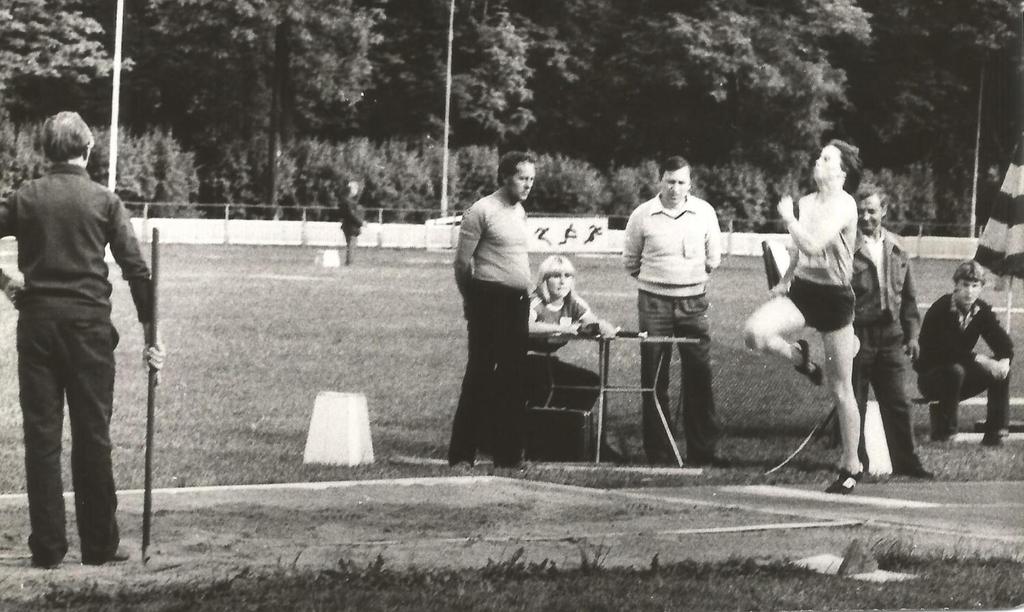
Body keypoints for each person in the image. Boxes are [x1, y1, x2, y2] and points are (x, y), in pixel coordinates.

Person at [0, 111, 165, 568]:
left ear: (45, 152)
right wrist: (152, 335)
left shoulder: (25, 197)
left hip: (36, 328)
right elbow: (137, 270)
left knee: (42, 439)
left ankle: (49, 548)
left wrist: (4, 281)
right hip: (90, 330)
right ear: (88, 151)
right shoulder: (105, 201)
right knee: (93, 436)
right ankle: (98, 544)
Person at [743, 139, 863, 494]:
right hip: (804, 292)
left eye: (827, 159)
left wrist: (788, 218)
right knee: (755, 333)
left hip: (836, 299)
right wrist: (784, 280)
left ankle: (850, 464)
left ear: (842, 171)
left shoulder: (844, 205)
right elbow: (799, 251)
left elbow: (812, 243)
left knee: (841, 389)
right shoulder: (808, 202)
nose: (818, 161)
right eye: (819, 157)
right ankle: (800, 358)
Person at [622, 155, 724, 467]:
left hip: (694, 303)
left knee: (699, 376)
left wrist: (689, 279)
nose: (675, 188)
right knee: (654, 379)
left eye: (681, 182)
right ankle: (659, 452)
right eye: (670, 181)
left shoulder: (704, 212)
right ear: (660, 181)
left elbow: (714, 258)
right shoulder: (643, 215)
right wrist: (660, 285)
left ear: (690, 184)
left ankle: (702, 452)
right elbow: (630, 261)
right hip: (653, 303)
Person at [449, 151, 535, 468]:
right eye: (523, 178)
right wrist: (471, 301)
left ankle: (509, 457)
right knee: (480, 375)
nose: (528, 185)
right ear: (505, 177)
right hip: (488, 300)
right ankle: (461, 455)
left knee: (514, 379)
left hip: (517, 303)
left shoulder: (520, 211)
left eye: (531, 179)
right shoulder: (481, 211)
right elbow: (461, 263)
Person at [850, 187, 931, 478]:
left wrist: (912, 335)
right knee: (853, 403)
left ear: (884, 210)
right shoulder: (845, 247)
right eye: (860, 211)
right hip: (857, 335)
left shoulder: (897, 248)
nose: (866, 216)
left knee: (898, 402)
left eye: (871, 210)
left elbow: (908, 299)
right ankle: (855, 463)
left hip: (891, 335)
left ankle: (906, 462)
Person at [916, 261, 1013, 446]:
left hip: (959, 375)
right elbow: (945, 351)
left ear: (981, 288)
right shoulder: (941, 308)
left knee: (1001, 370)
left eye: (975, 286)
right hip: (932, 377)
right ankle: (947, 434)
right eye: (965, 285)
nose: (969, 291)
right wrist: (981, 359)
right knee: (955, 370)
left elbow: (1004, 344)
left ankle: (996, 433)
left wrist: (1004, 361)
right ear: (956, 285)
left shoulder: (981, 310)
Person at [525, 255, 618, 414]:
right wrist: (564, 329)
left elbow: (591, 322)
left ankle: (570, 427)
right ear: (544, 280)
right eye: (556, 276)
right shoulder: (535, 300)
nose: (562, 281)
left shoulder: (574, 303)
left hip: (548, 362)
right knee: (543, 390)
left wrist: (602, 326)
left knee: (591, 383)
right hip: (524, 362)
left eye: (567, 276)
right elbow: (526, 326)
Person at [339, 180, 364, 266]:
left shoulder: (345, 200)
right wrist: (361, 222)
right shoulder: (348, 201)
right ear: (352, 189)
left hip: (348, 225)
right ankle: (349, 263)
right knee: (351, 245)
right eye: (356, 188)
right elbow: (351, 214)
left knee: (351, 245)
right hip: (351, 226)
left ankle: (349, 262)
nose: (357, 191)